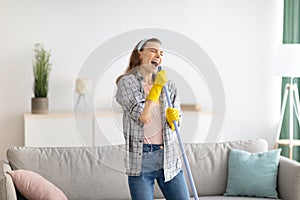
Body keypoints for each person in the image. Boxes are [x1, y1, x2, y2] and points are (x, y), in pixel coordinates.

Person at [115, 38, 190, 200]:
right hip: (142, 160)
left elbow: (177, 124)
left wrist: (174, 119)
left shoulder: (168, 85)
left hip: (168, 157)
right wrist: (156, 88)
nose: (158, 55)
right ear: (140, 54)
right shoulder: (127, 83)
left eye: (161, 53)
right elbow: (143, 116)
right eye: (153, 51)